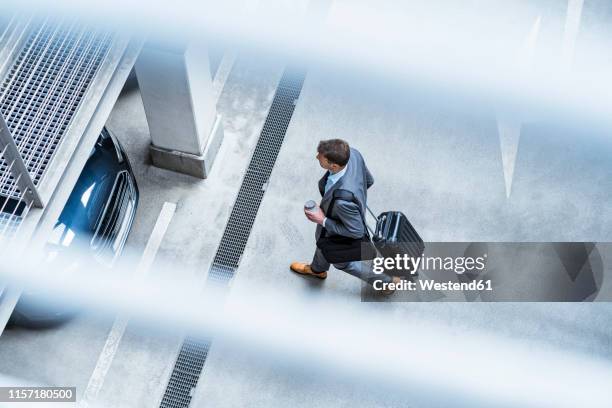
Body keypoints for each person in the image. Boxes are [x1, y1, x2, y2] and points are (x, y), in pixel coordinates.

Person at [290, 139, 399, 289]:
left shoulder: (343, 202)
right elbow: (369, 180)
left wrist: (323, 220)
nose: (317, 157)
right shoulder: (353, 154)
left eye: (320, 158)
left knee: (343, 262)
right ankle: (317, 270)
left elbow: (356, 231)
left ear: (333, 165)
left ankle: (388, 282)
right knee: (323, 243)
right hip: (341, 215)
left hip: (339, 225)